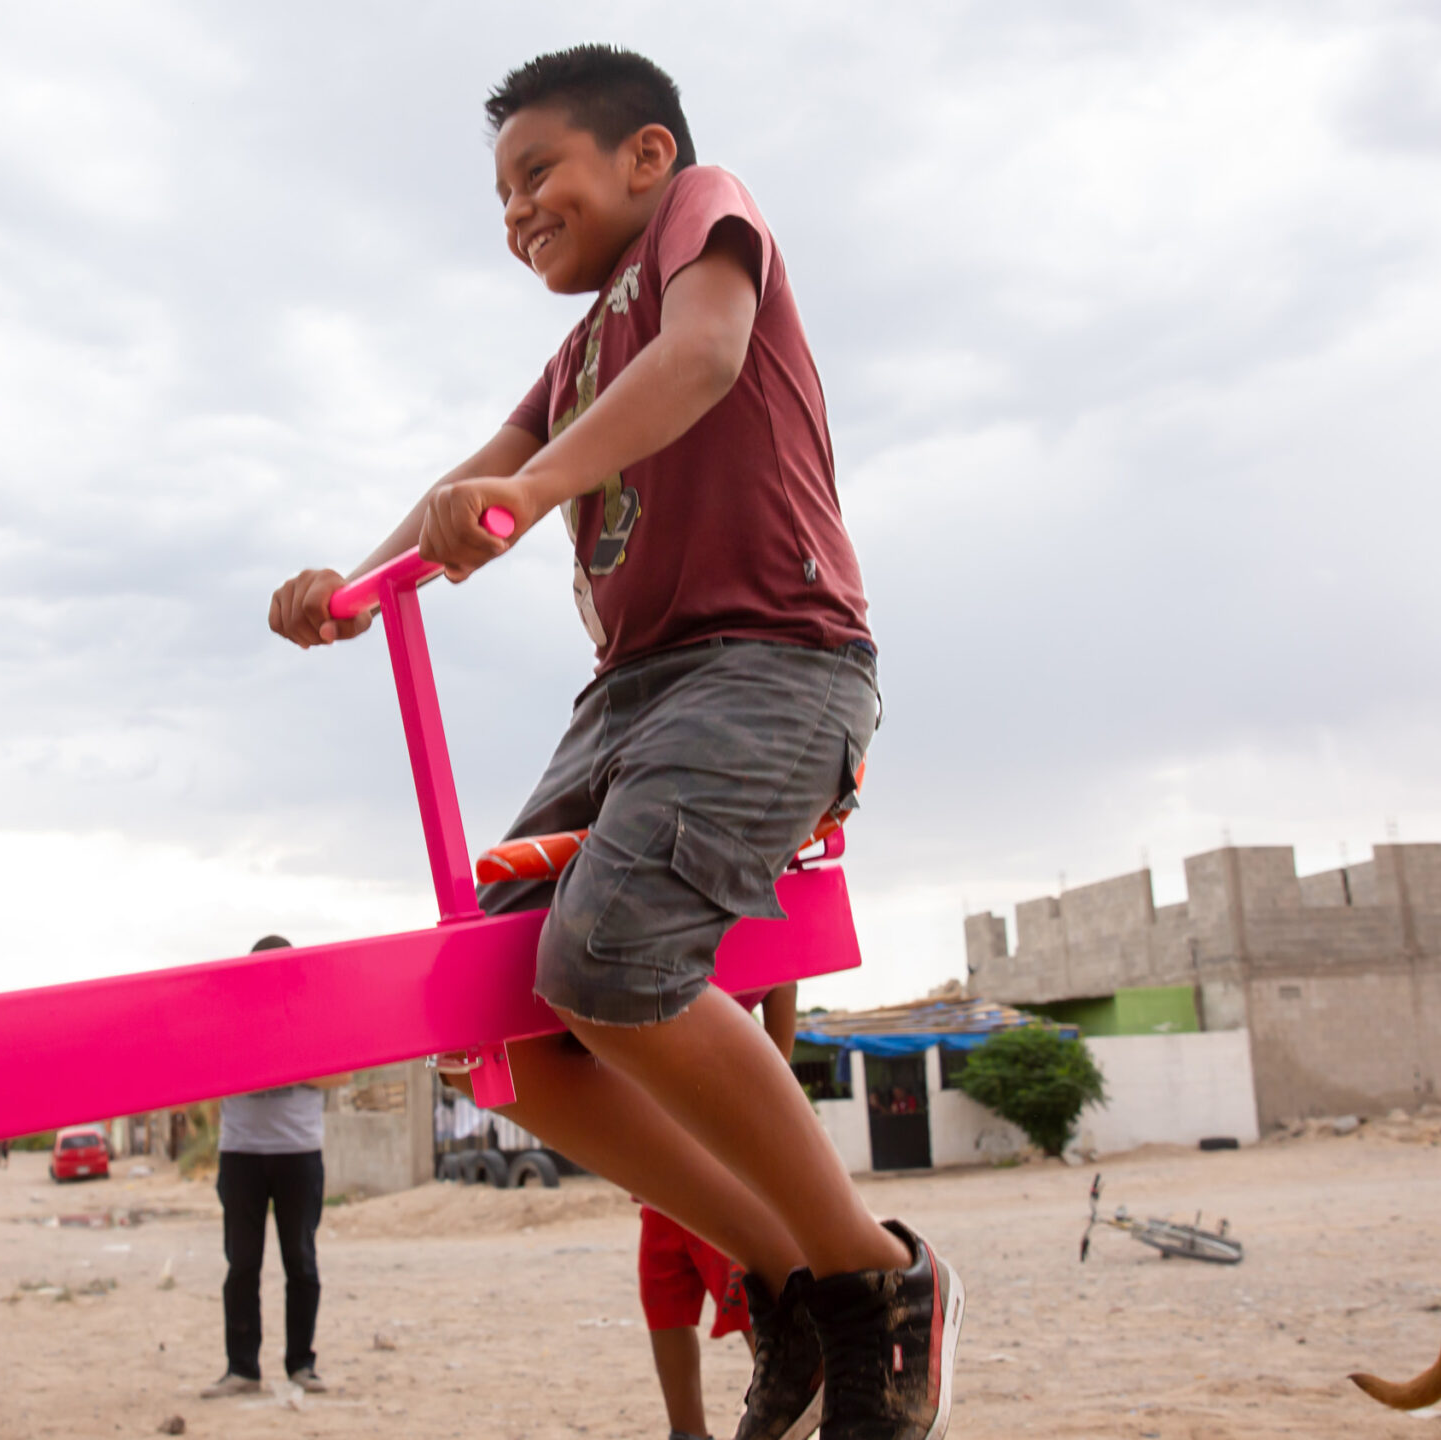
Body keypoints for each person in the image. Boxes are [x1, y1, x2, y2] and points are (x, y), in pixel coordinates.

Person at [266, 47, 957, 1440]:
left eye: (539, 175)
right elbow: (474, 479)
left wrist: (530, 489)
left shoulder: (707, 212)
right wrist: (350, 589)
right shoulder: (576, 352)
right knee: (489, 1024)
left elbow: (703, 360)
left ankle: (878, 1282)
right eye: (502, 195)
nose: (517, 211)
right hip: (632, 693)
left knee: (611, 956)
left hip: (779, 661)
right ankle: (779, 1272)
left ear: (643, 157)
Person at [640, 984, 798, 1440]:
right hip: (659, 1172)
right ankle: (686, 1432)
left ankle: (787, 1419)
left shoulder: (740, 942)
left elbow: (782, 976)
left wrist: (768, 1095)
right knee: (663, 1303)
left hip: (715, 1157)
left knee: (750, 1301)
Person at [203, 936, 346, 1399]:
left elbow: (342, 1071)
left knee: (300, 1261)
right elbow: (208, 1072)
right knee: (241, 1264)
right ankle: (241, 1369)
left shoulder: (312, 1015)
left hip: (298, 1153)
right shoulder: (228, 1020)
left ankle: (302, 1365)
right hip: (241, 1152)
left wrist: (283, 1061)